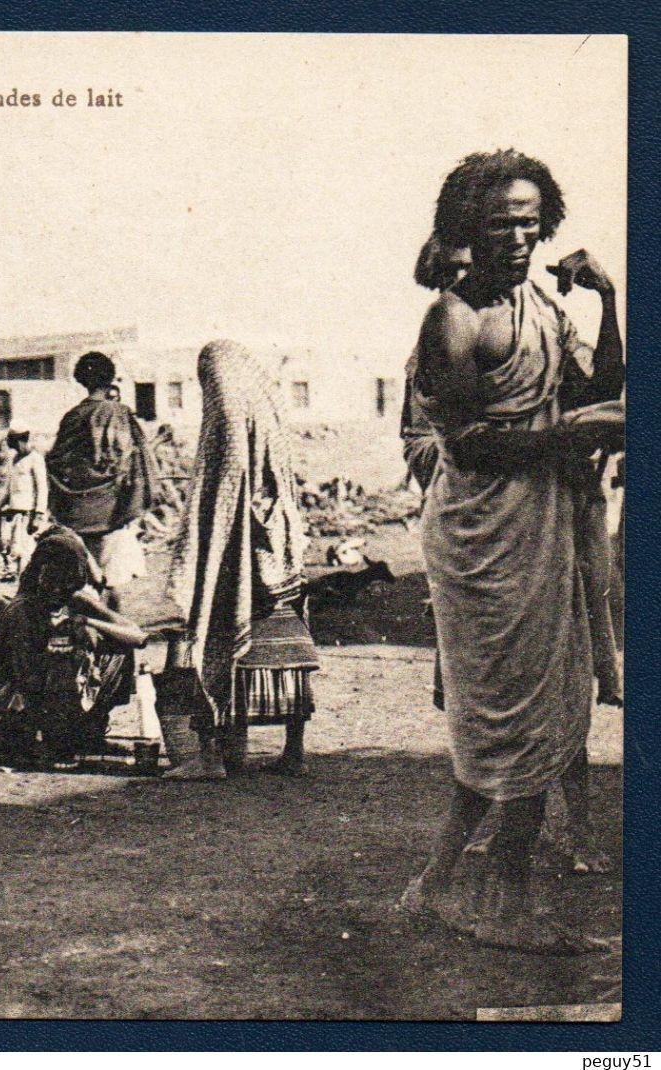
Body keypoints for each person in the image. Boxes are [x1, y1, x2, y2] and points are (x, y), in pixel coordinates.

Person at [399, 151, 624, 953]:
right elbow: (463, 442)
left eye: (531, 222)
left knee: (530, 712)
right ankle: (500, 906)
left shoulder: (541, 307)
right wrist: (565, 438)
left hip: (545, 522)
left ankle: (434, 886)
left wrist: (607, 298)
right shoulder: (453, 320)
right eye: (502, 225)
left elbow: (602, 387)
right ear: (468, 228)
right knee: (509, 718)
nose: (521, 239)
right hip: (481, 538)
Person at [159, 340, 318, 781]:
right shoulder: (268, 410)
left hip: (240, 555)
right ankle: (292, 751)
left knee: (216, 637)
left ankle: (211, 756)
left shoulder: (226, 416)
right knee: (285, 646)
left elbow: (222, 492)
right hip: (278, 554)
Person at [0, 528, 147, 770]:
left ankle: (86, 733)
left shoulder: (75, 600)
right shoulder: (20, 611)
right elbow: (25, 678)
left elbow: (138, 637)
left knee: (117, 648)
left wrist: (87, 622)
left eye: (65, 584)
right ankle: (55, 740)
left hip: (56, 695)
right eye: (52, 582)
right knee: (63, 659)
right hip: (15, 702)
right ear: (38, 575)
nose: (57, 591)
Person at [45, 352, 158, 586]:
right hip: (115, 511)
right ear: (110, 378)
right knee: (111, 584)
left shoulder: (72, 417)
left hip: (75, 513)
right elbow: (139, 461)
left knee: (82, 584)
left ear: (81, 380)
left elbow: (56, 462)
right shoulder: (120, 414)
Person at [0, 430, 48, 575]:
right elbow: (9, 488)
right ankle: (22, 589)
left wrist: (38, 515)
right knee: (16, 550)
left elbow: (42, 488)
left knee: (27, 553)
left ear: (22, 441)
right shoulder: (14, 460)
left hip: (29, 514)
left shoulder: (35, 459)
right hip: (15, 513)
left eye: (16, 444)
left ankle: (28, 592)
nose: (15, 448)